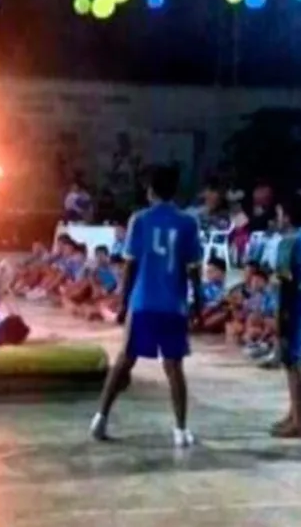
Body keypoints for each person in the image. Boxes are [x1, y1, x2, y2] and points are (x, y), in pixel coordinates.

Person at [90, 164, 203, 447]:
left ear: (150, 190)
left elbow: (130, 265)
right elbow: (193, 269)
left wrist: (124, 302)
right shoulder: (188, 223)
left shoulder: (139, 220)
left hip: (143, 302)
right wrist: (198, 302)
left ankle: (101, 418)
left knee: (125, 360)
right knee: (174, 367)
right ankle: (180, 430)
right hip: (173, 304)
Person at [270, 190, 301, 438]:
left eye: (280, 213)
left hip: (294, 307)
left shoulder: (287, 243)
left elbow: (284, 283)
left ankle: (300, 421)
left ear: (288, 216)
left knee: (292, 363)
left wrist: (279, 317)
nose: (277, 218)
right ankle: (294, 413)